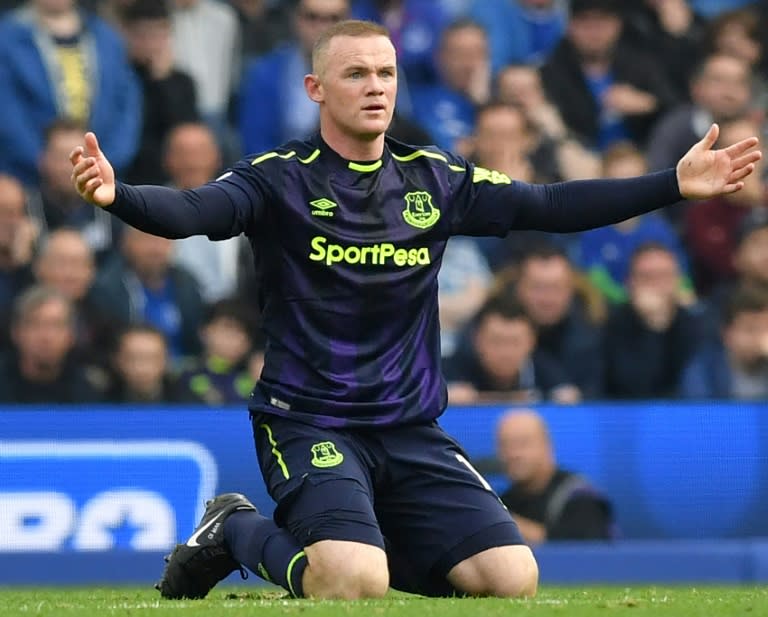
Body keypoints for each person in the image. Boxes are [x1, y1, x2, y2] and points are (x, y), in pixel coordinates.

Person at [70, 18, 760, 602]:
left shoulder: (435, 177)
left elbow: (547, 204)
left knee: (512, 577)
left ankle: (361, 531)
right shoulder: (277, 178)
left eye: (386, 73)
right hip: (311, 419)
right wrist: (119, 195)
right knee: (353, 581)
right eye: (356, 75)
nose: (375, 87)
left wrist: (672, 183)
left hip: (408, 426)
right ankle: (239, 529)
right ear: (316, 89)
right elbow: (195, 210)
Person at [496, 409, 614, 544]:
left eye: (523, 443)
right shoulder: (501, 504)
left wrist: (503, 526)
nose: (513, 454)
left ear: (547, 446)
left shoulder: (582, 499)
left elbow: (584, 556)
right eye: (505, 445)